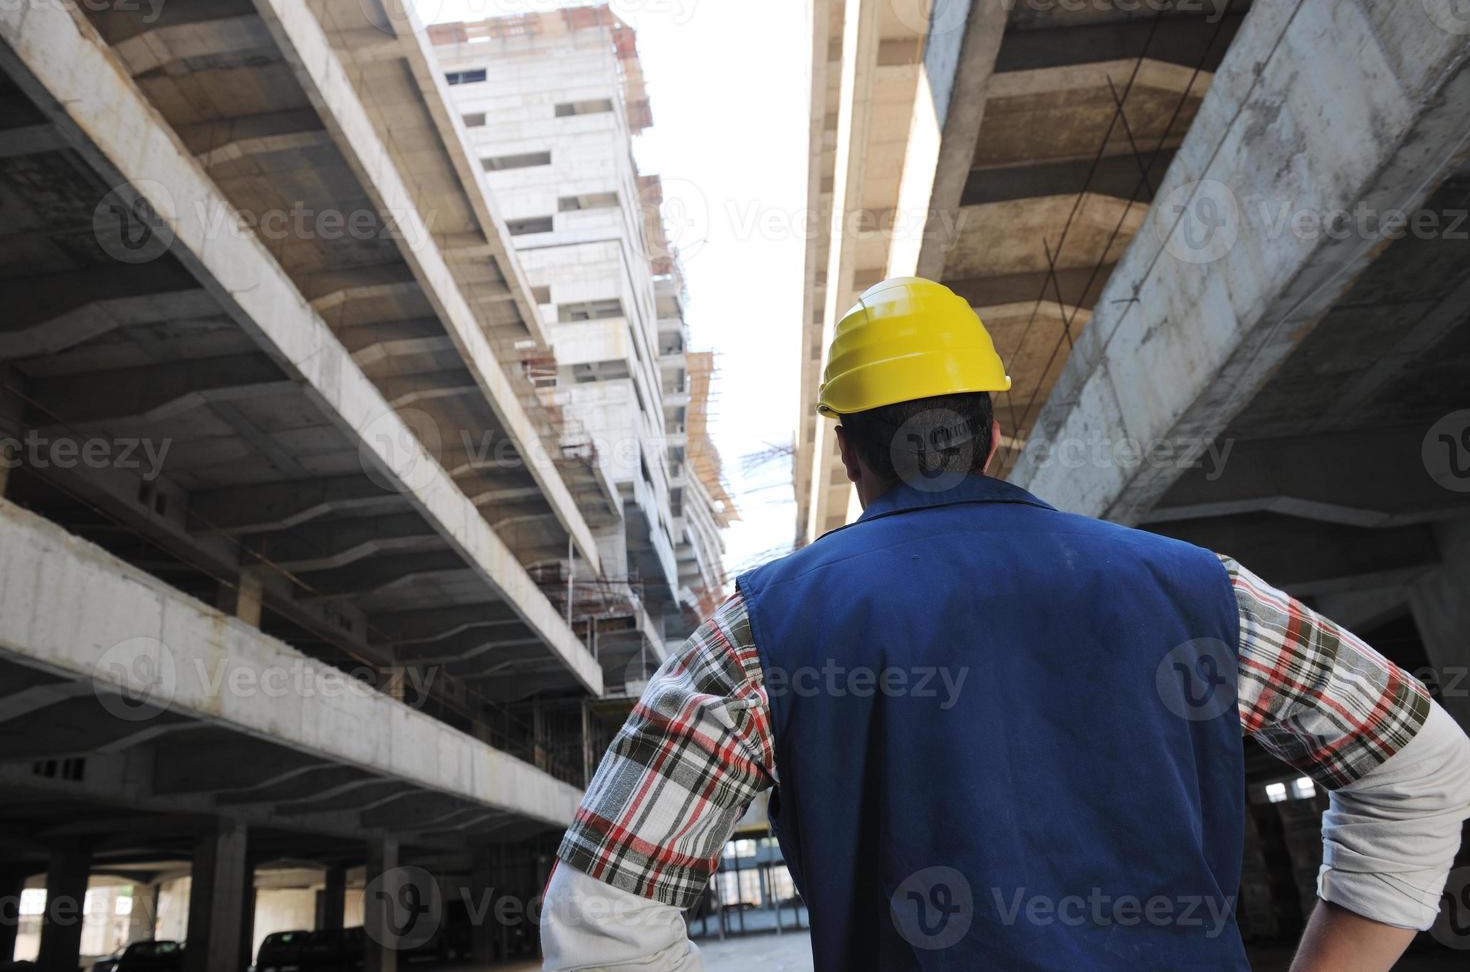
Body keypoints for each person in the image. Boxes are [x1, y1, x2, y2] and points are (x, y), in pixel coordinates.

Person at [539, 277, 1470, 970]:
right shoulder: (1203, 593)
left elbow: (600, 918)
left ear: (849, 452)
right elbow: (1425, 764)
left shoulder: (762, 633)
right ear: (992, 433)